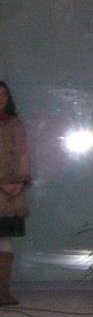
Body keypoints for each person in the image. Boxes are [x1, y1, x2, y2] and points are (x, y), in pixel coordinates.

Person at [0, 81, 31, 305]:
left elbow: (23, 154)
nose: (1, 99)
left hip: (11, 193)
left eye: (4, 94)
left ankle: (3, 291)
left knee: (5, 239)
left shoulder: (15, 123)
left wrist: (20, 181)